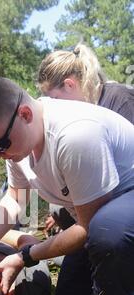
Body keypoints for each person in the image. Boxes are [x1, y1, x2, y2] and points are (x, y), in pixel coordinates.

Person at [0, 75, 134, 295]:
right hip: (98, 220)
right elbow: (15, 196)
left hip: (120, 212)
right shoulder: (18, 143)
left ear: (25, 114)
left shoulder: (75, 136)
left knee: (107, 233)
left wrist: (24, 257)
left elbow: (88, 228)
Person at [38, 43, 134, 235]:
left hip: (124, 194)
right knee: (58, 211)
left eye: (54, 99)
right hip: (99, 193)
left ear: (69, 85)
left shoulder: (120, 99)